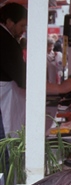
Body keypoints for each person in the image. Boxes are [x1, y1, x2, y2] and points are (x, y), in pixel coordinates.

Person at [0, 2, 28, 138]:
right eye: (22, 25)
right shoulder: (5, 40)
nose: (23, 30)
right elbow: (23, 78)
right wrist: (59, 88)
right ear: (10, 22)